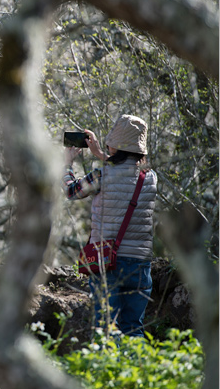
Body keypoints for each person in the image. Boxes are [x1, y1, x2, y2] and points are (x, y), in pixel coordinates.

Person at [63, 114, 157, 337]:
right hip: (140, 262)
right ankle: (139, 370)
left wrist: (66, 165)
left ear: (113, 146)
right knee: (133, 327)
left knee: (106, 328)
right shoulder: (151, 177)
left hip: (107, 262)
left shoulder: (101, 175)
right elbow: (127, 172)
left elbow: (71, 191)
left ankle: (107, 369)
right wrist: (103, 155)